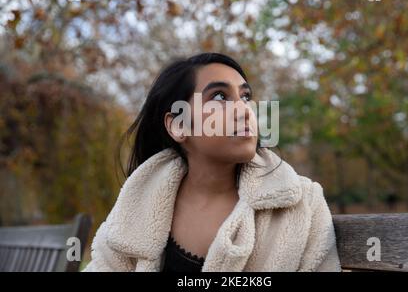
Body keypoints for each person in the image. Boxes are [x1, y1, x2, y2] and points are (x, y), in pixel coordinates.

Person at [83, 52, 341, 272]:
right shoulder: (137, 204)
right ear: (179, 125)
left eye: (245, 97)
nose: (244, 110)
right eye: (220, 97)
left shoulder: (303, 203)